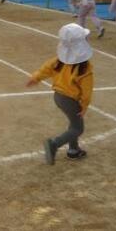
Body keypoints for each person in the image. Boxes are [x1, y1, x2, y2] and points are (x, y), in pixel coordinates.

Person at [26, 23, 93, 165]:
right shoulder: (84, 66)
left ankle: (73, 150)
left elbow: (45, 69)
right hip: (70, 100)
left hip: (58, 97)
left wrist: (35, 78)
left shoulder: (59, 61)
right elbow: (87, 90)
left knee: (73, 123)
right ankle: (54, 144)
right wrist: (84, 105)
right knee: (78, 128)